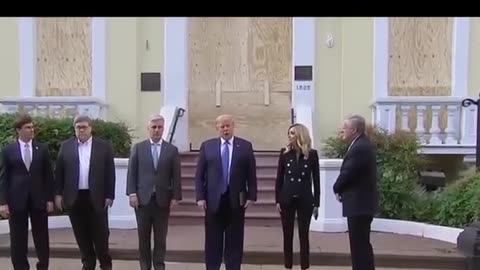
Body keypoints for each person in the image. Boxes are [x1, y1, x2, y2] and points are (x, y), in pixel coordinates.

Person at [195, 114, 257, 270]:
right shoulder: (207, 146)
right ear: (217, 128)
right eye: (222, 126)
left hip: (236, 201)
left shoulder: (245, 146)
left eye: (228, 125)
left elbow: (251, 174)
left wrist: (252, 196)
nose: (225, 129)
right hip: (213, 202)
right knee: (212, 241)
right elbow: (199, 175)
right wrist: (200, 197)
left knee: (235, 241)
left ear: (233, 126)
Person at [54, 115, 116, 270]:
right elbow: (59, 172)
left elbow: (110, 173)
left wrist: (110, 195)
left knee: (101, 235)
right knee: (81, 235)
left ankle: (105, 264)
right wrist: (58, 194)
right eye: (78, 127)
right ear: (74, 129)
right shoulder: (66, 146)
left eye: (84, 127)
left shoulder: (104, 146)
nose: (81, 130)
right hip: (74, 198)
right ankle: (88, 263)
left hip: (97, 197)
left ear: (90, 128)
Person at [126, 114, 182, 270]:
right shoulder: (138, 148)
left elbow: (176, 175)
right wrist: (132, 193)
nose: (157, 130)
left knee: (160, 238)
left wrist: (176, 197)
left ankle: (159, 266)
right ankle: (145, 266)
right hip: (142, 201)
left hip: (162, 201)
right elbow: (132, 172)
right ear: (148, 129)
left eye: (160, 127)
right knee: (143, 237)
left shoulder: (171, 150)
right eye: (154, 127)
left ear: (163, 128)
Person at [0, 113, 54, 270]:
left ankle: (42, 265)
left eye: (32, 127)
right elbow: (3, 178)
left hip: (39, 199)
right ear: (19, 130)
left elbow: (48, 176)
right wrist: (3, 202)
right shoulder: (8, 150)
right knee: (18, 238)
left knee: (42, 237)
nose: (32, 130)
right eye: (28, 127)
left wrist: (49, 199)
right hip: (16, 200)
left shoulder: (41, 149)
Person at [333, 114, 378, 270]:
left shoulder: (359, 147)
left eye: (344, 128)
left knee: (359, 245)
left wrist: (336, 187)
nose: (342, 131)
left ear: (354, 129)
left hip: (360, 204)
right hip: (361, 204)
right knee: (361, 244)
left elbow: (348, 172)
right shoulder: (361, 144)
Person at [275, 123, 320, 270]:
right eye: (289, 133)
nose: (289, 136)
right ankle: (288, 265)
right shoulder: (284, 153)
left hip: (305, 199)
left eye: (293, 133)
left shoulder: (311, 154)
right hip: (287, 198)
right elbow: (279, 179)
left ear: (300, 135)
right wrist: (277, 200)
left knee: (303, 234)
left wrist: (316, 202)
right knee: (287, 234)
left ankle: (304, 266)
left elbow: (316, 180)